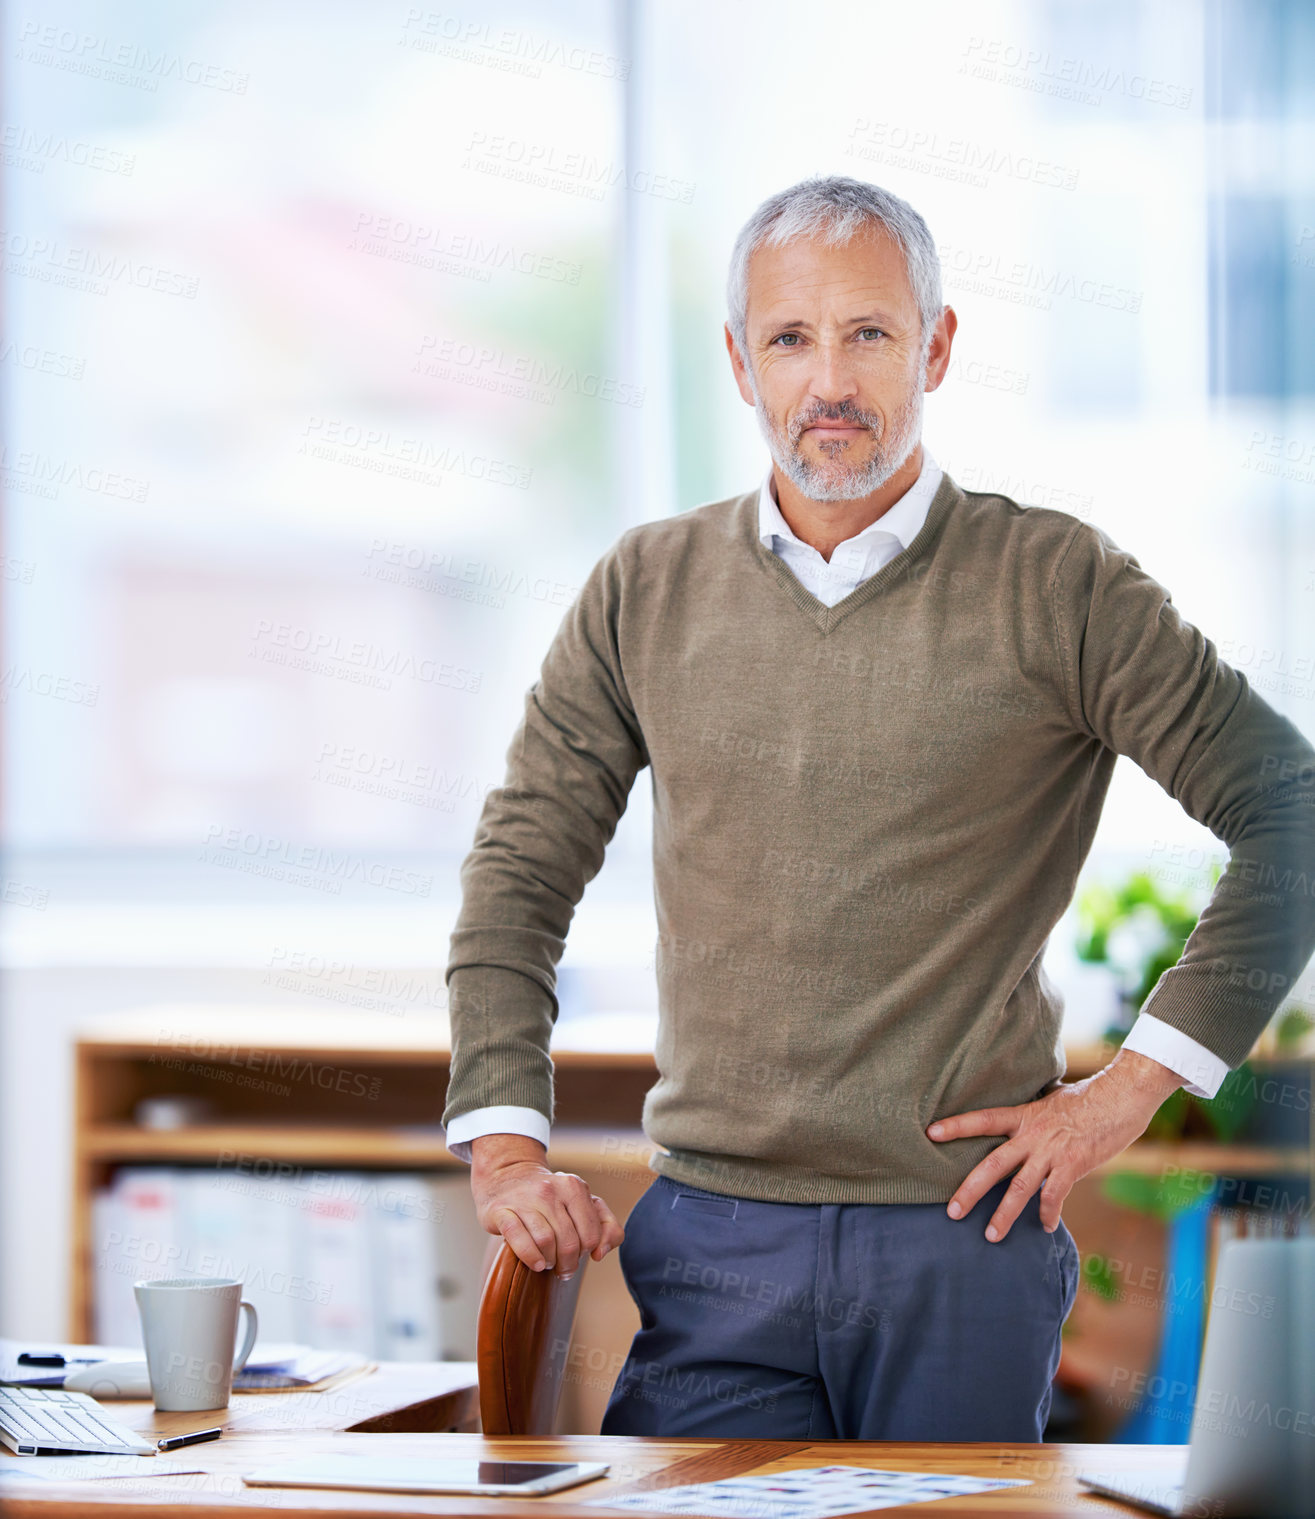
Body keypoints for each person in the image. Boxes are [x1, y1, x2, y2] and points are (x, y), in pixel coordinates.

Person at [440, 174, 1315, 1440]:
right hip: (713, 1238)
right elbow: (518, 875)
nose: (829, 381)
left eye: (869, 333)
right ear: (741, 364)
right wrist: (507, 1151)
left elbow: (1288, 811)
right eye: (791, 338)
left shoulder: (1057, 584)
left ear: (937, 346)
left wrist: (1127, 1090)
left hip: (963, 1237)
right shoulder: (645, 587)